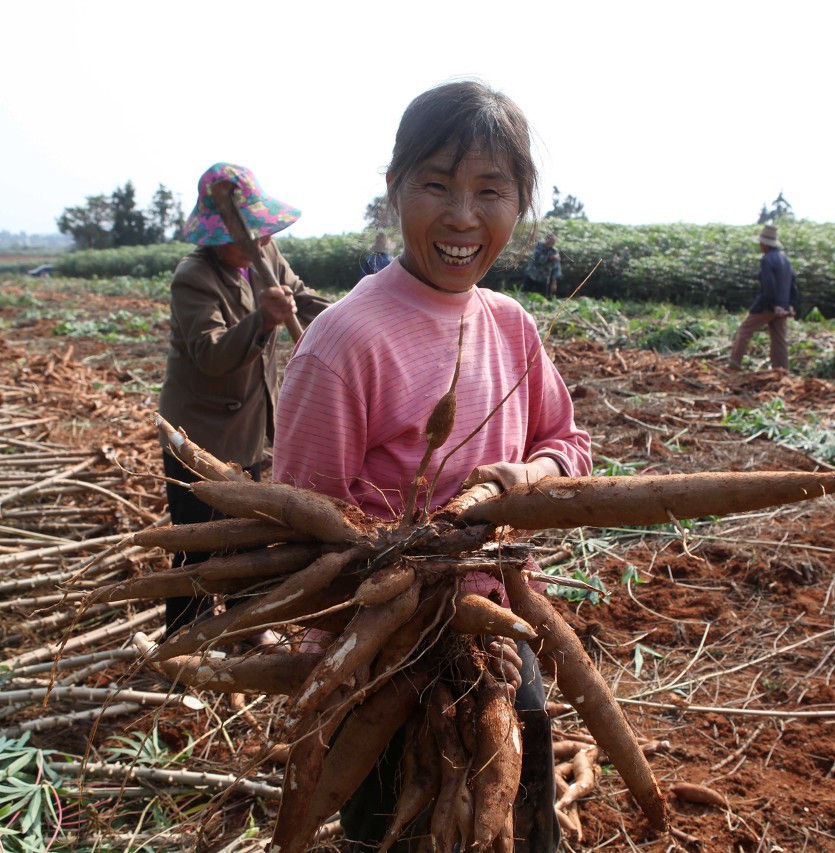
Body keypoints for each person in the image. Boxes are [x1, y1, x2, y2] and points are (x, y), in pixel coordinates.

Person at [273, 80, 591, 852]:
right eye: (437, 185)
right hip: (381, 660)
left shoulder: (511, 325)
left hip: (502, 634)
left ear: (521, 203)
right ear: (394, 189)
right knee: (391, 831)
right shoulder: (344, 343)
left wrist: (525, 478)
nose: (462, 216)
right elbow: (303, 543)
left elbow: (568, 444)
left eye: (491, 191)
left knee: (522, 823)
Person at [156, 162, 330, 638]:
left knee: (247, 532)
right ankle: (184, 637)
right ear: (217, 238)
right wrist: (263, 321)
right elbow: (211, 355)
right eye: (249, 233)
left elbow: (300, 297)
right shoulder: (194, 277)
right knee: (198, 541)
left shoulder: (264, 252)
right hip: (199, 434)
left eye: (262, 231)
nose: (260, 239)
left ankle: (245, 625)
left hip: (250, 424)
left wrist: (350, 318)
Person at [730, 223, 800, 372]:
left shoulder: (767, 259)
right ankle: (781, 371)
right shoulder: (785, 260)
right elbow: (793, 284)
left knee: (744, 330)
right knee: (779, 339)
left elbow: (769, 284)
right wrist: (790, 305)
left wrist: (774, 305)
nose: (760, 246)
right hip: (783, 306)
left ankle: (734, 365)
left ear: (765, 244)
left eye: (760, 243)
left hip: (767, 305)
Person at [521, 231, 561, 297]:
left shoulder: (554, 251)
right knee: (524, 294)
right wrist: (549, 258)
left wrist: (554, 283)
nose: (552, 242)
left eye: (554, 241)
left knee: (541, 297)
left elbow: (556, 268)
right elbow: (536, 257)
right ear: (546, 239)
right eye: (551, 240)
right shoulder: (539, 245)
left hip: (544, 278)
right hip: (531, 274)